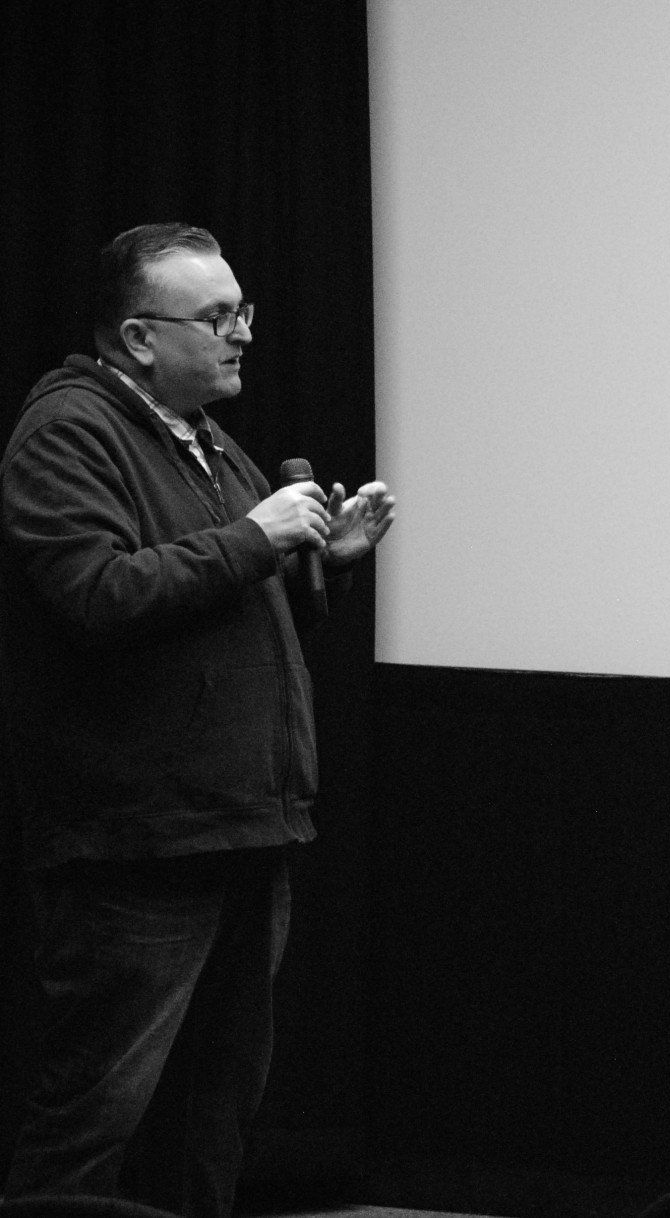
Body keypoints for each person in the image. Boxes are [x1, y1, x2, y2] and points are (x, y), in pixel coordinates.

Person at [1, 223, 395, 1218]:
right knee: (94, 1122)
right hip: (141, 848)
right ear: (138, 338)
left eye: (242, 312)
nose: (241, 334)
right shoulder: (70, 430)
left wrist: (321, 565)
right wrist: (251, 540)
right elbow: (93, 596)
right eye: (215, 317)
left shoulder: (209, 440)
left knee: (211, 1122)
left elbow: (234, 614)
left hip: (242, 828)